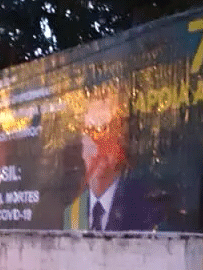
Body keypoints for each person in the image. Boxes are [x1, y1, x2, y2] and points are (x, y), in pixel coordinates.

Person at [63, 94, 164, 231]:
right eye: (91, 132)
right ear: (82, 145)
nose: (99, 145)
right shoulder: (72, 213)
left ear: (122, 142)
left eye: (107, 132)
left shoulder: (146, 207)